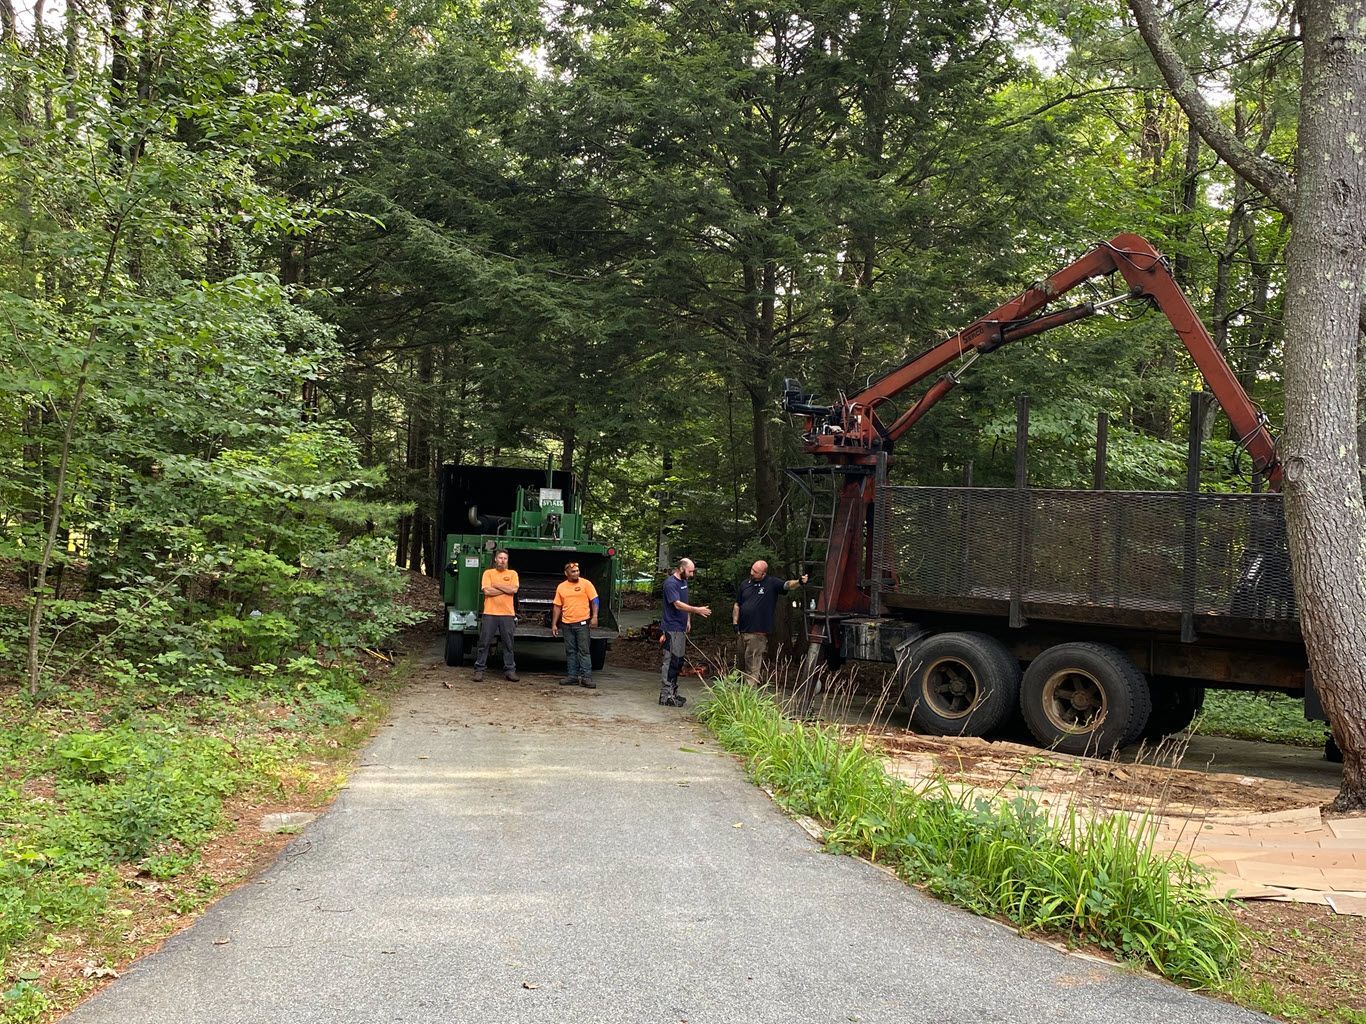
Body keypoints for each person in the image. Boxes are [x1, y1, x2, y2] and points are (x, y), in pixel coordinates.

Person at [732, 560, 807, 682]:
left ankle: (750, 692)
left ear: (763, 574)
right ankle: (737, 691)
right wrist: (735, 623)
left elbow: (787, 585)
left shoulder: (771, 583)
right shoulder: (745, 584)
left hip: (758, 633)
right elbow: (737, 604)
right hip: (742, 631)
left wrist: (799, 582)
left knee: (752, 667)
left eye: (755, 572)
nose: (752, 573)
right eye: (752, 569)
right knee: (740, 666)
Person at [660, 557, 711, 707]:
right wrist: (697, 610)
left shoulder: (684, 582)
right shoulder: (670, 583)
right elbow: (677, 604)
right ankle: (666, 695)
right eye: (690, 571)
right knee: (671, 661)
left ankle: (673, 692)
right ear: (681, 569)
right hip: (672, 628)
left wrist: (688, 619)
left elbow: (684, 602)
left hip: (681, 627)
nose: (691, 574)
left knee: (678, 661)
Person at [473, 549, 519, 682]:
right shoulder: (488, 573)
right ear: (495, 559)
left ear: (507, 560)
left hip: (507, 614)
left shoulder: (513, 574)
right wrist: (506, 589)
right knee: (484, 643)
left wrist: (497, 585)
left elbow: (514, 590)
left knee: (508, 644)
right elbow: (487, 591)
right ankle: (479, 670)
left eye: (505, 558)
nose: (502, 561)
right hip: (490, 613)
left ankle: (510, 671)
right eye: (500, 558)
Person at [551, 562, 599, 689]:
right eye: (573, 571)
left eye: (577, 571)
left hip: (582, 624)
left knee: (584, 651)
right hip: (567, 624)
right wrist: (554, 624)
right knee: (570, 651)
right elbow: (557, 606)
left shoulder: (586, 584)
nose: (576, 573)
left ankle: (586, 677)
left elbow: (594, 600)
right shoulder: (561, 587)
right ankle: (572, 676)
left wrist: (594, 616)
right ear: (566, 573)